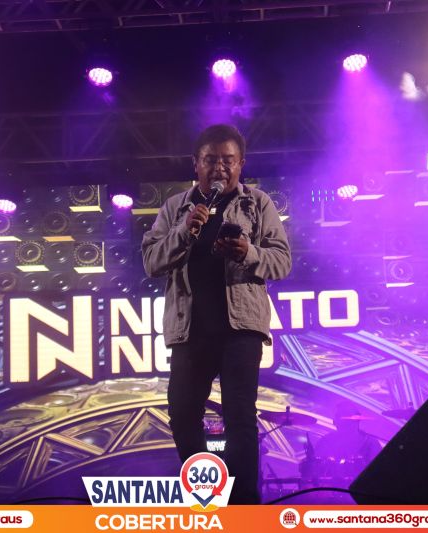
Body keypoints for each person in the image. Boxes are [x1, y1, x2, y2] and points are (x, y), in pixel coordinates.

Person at [142, 124, 291, 503]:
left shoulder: (258, 204)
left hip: (240, 329)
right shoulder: (175, 207)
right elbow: (151, 262)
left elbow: (282, 262)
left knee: (239, 414)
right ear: (196, 164)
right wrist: (182, 232)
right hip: (190, 329)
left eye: (228, 160)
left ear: (241, 164)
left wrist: (248, 253)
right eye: (211, 160)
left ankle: (244, 508)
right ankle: (207, 498)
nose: (219, 168)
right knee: (182, 414)